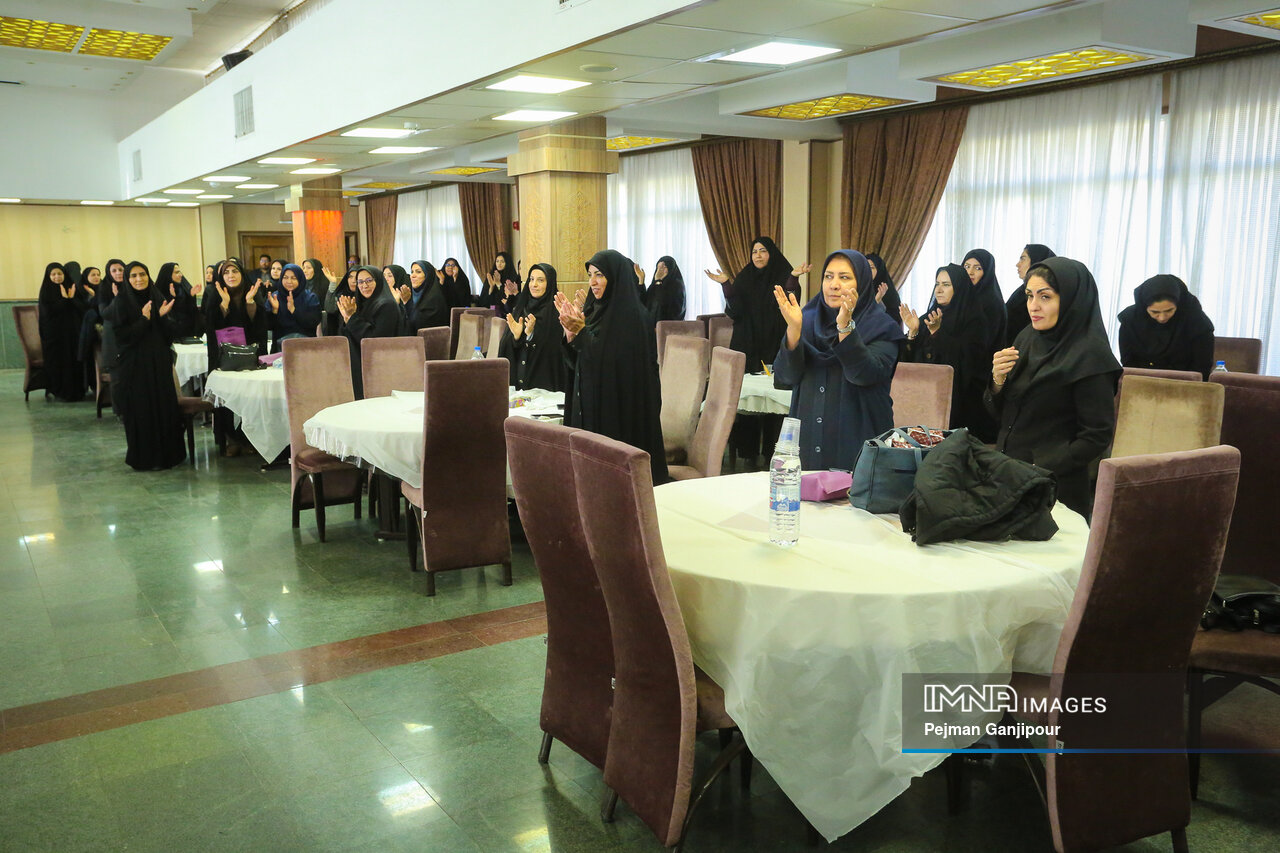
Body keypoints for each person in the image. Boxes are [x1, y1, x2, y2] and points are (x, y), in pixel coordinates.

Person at [986, 257, 1120, 521]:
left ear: (1070, 300)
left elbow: (1097, 436)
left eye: (1045, 297)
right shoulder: (1028, 337)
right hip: (1008, 475)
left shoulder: (1091, 356)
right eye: (1029, 296)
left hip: (1056, 490)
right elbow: (1005, 415)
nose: (1033, 306)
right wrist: (997, 380)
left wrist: (1041, 465)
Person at [772, 250, 903, 471]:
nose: (833, 285)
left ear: (862, 283)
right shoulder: (806, 320)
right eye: (828, 276)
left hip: (859, 449)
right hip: (808, 446)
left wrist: (845, 327)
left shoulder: (882, 327)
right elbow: (785, 377)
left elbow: (864, 374)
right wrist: (793, 331)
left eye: (844, 277)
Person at [555, 249, 667, 484]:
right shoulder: (595, 311)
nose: (593, 282)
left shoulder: (633, 316)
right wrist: (571, 337)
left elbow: (614, 364)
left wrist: (582, 333)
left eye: (600, 275)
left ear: (616, 277)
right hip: (593, 406)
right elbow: (583, 361)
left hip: (618, 412)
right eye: (590, 275)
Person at [102, 261, 186, 470]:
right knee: (141, 411)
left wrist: (163, 317)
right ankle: (145, 457)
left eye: (142, 274)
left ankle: (169, 456)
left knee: (164, 408)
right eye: (134, 276)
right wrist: (144, 319)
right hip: (134, 367)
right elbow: (123, 338)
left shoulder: (156, 297)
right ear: (127, 279)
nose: (139, 279)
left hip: (159, 364)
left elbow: (170, 335)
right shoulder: (121, 302)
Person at [900, 264, 990, 433]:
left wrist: (937, 334)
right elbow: (907, 362)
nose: (939, 290)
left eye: (946, 285)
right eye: (937, 284)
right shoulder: (929, 317)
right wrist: (912, 333)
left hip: (959, 405)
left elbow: (966, 363)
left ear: (959, 287)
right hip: (923, 397)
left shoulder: (975, 321)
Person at [704, 236, 805, 373]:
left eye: (763, 251)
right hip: (748, 339)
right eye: (754, 252)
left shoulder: (783, 273)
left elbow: (790, 303)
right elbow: (735, 310)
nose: (758, 255)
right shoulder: (745, 276)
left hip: (774, 338)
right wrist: (725, 284)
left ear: (771, 253)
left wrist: (793, 277)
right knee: (744, 381)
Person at [205, 259, 267, 456]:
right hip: (224, 359)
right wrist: (224, 305)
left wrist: (250, 304)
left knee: (250, 399)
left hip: (248, 358)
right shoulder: (214, 295)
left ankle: (250, 439)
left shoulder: (252, 292)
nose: (231, 275)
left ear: (242, 274)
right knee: (226, 399)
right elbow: (208, 325)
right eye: (226, 272)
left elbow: (260, 327)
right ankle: (230, 439)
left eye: (235, 271)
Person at [1117, 274, 1215, 379]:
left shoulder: (1197, 322)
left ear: (1178, 305)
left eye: (1169, 310)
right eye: (1155, 312)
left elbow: (1202, 367)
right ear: (1144, 308)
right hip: (1140, 382)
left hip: (1185, 384)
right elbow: (1128, 362)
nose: (1162, 318)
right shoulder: (1130, 320)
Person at [337, 265, 406, 397]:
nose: (364, 285)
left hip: (380, 367)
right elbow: (348, 334)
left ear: (378, 281)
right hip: (361, 362)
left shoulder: (387, 305)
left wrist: (351, 318)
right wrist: (347, 319)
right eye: (360, 282)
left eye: (369, 280)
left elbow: (374, 341)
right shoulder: (362, 304)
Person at [499, 263, 565, 391]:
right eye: (531, 279)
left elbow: (554, 350)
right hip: (520, 386)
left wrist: (531, 335)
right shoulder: (520, 309)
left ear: (550, 283)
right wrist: (517, 338)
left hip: (545, 385)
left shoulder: (556, 312)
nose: (534, 284)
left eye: (540, 280)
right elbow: (507, 348)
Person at [37, 262, 88, 401]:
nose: (57, 277)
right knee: (57, 362)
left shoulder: (71, 288)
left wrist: (72, 299)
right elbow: (48, 313)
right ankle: (58, 390)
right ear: (48, 276)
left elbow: (82, 309)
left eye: (60, 273)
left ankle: (77, 390)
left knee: (73, 360)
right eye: (53, 274)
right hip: (54, 337)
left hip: (72, 335)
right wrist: (64, 300)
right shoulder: (46, 291)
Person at [1006, 244, 1056, 346]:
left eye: (1023, 259)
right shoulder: (1021, 292)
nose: (1017, 264)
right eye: (1030, 296)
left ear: (1036, 261)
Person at [268, 263, 322, 351]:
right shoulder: (275, 297)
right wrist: (275, 310)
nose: (289, 281)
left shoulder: (310, 297)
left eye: (293, 278)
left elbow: (314, 322)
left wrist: (293, 310)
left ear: (300, 279)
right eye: (285, 277)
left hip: (306, 348)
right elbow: (268, 326)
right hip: (280, 349)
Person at [154, 262, 203, 340]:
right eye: (176, 272)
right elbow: (165, 314)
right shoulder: (158, 291)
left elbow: (190, 310)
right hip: (169, 333)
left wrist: (191, 295)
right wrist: (172, 297)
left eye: (180, 272)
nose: (180, 275)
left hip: (187, 332)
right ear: (168, 274)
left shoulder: (183, 287)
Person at [401, 260, 450, 333]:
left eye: (418, 272)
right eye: (412, 272)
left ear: (427, 276)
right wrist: (406, 302)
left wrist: (407, 303)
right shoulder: (412, 296)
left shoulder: (434, 299)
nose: (412, 276)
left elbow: (417, 326)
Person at [638, 256, 686, 322]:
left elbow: (662, 305)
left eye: (664, 267)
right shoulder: (655, 285)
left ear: (671, 269)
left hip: (668, 326)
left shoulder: (677, 286)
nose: (660, 270)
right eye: (658, 267)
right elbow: (643, 304)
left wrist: (658, 281)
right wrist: (641, 281)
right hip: (652, 325)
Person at [864, 252, 903, 332]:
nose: (868, 271)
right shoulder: (859, 289)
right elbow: (858, 319)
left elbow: (895, 319)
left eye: (871, 268)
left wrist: (878, 301)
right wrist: (876, 300)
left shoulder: (887, 291)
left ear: (879, 269)